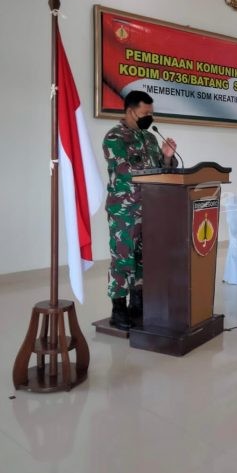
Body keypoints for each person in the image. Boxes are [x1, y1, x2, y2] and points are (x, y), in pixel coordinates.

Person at [102, 90, 178, 330]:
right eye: (145, 113)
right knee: (123, 258)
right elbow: (126, 171)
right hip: (125, 210)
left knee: (145, 258)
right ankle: (118, 308)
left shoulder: (150, 138)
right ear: (130, 111)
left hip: (151, 208)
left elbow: (162, 169)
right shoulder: (114, 138)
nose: (149, 117)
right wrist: (155, 170)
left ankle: (138, 302)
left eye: (151, 113)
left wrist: (167, 158)